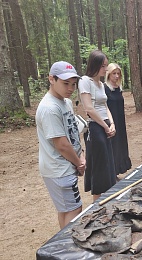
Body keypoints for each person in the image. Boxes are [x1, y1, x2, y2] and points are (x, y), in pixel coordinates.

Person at [35, 61, 86, 229]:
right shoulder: (50, 108)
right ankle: (66, 250)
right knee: (74, 209)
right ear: (51, 79)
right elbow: (61, 145)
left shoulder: (66, 102)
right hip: (59, 169)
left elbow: (73, 134)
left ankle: (62, 248)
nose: (71, 88)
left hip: (67, 165)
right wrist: (79, 163)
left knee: (65, 210)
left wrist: (81, 155)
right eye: (65, 83)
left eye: (73, 84)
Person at [78, 50, 116, 202]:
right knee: (100, 167)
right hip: (95, 127)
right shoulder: (85, 81)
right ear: (94, 65)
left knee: (108, 164)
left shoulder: (101, 84)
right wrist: (105, 127)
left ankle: (107, 201)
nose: (105, 69)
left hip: (105, 125)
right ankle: (97, 204)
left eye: (106, 66)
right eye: (103, 66)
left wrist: (112, 124)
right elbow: (89, 109)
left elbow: (105, 106)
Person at [104, 63, 132, 178]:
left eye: (118, 74)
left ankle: (119, 169)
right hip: (111, 122)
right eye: (114, 73)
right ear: (108, 74)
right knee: (113, 146)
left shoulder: (119, 88)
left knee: (120, 145)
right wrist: (110, 123)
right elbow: (104, 107)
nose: (116, 76)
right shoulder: (105, 88)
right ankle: (112, 173)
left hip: (120, 121)